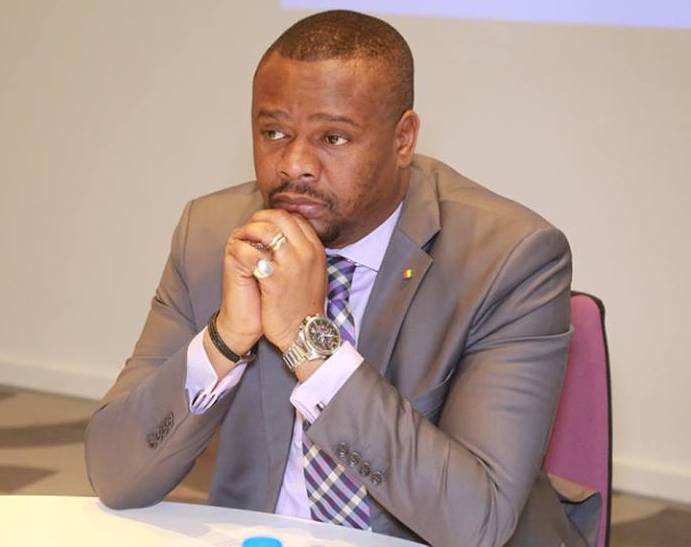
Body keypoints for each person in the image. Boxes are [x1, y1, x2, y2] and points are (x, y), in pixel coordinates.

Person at [85, 10, 598, 547]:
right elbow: (115, 475)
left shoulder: (508, 259)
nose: (294, 165)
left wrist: (310, 344)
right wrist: (225, 339)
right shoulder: (214, 236)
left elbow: (476, 522)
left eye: (333, 137)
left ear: (403, 139)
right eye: (273, 132)